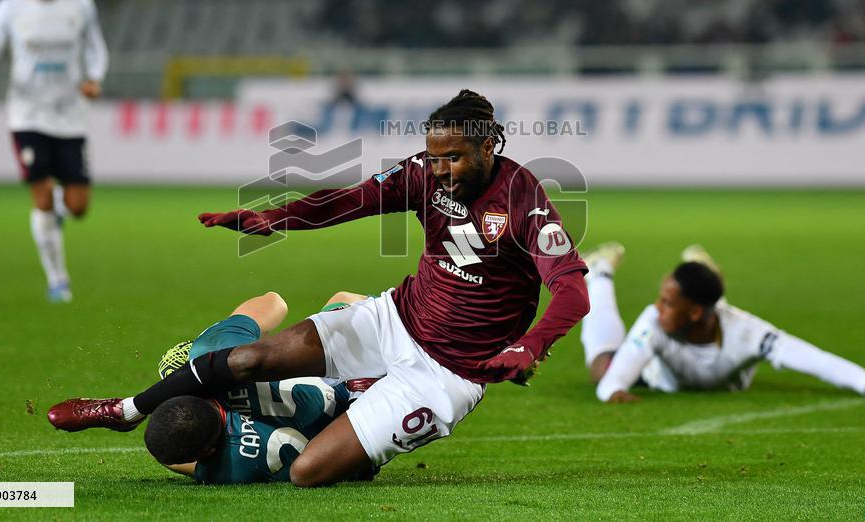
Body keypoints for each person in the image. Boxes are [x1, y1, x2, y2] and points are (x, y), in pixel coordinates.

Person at [48, 89, 591, 487]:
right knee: (250, 359)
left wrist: (530, 345)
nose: (441, 169)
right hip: (395, 318)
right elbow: (351, 200)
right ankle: (125, 411)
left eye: (454, 157)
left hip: (447, 375)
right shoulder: (422, 173)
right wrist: (274, 218)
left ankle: (359, 425)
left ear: (488, 147)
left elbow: (571, 289)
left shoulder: (524, 199)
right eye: (434, 156)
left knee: (307, 473)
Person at [50, 291, 372, 484]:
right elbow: (275, 302)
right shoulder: (213, 352)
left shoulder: (230, 467)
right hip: (356, 371)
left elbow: (171, 458)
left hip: (362, 434)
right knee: (342, 300)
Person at [0, 0, 108, 303]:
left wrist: (94, 77)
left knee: (78, 206)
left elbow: (95, 47)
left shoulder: (80, 3)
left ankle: (57, 211)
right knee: (41, 194)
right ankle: (58, 280)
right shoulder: (10, 6)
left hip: (70, 114)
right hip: (26, 113)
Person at [580, 242, 865, 402]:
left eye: (667, 302)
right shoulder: (654, 321)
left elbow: (810, 357)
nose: (656, 307)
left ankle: (705, 272)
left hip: (714, 324)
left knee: (714, 305)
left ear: (693, 312)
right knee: (602, 369)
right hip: (659, 378)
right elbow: (613, 382)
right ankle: (600, 272)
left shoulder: (747, 333)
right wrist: (614, 391)